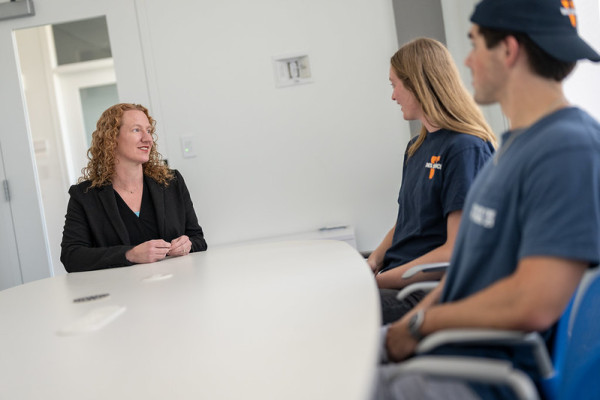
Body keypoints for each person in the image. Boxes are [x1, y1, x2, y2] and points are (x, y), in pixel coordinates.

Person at [374, 0, 600, 399]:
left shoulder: (567, 148)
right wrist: (411, 324)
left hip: (479, 374)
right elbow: (467, 269)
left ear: (508, 50)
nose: (468, 60)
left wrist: (416, 325)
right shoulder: (516, 148)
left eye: (475, 43)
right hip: (448, 345)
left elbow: (534, 302)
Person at [368, 38, 496, 323]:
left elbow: (455, 251)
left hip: (424, 293)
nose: (393, 96)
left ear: (417, 84)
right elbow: (407, 222)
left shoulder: (465, 148)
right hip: (400, 280)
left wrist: (379, 282)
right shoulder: (416, 147)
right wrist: (373, 261)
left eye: (394, 85)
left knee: (329, 310)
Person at [61, 103, 207, 273]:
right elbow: (71, 256)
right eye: (137, 130)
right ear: (111, 138)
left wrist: (187, 244)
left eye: (149, 131)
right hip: (121, 294)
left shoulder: (172, 182)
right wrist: (129, 254)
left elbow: (198, 239)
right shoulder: (84, 196)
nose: (148, 139)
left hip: (177, 289)